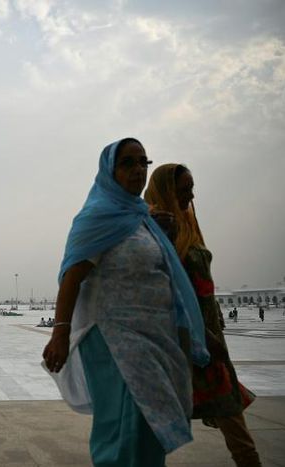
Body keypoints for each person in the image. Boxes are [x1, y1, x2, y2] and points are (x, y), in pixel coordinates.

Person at [42, 138, 209, 467]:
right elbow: (71, 277)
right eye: (127, 163)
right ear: (109, 171)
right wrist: (60, 332)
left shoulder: (144, 220)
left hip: (153, 340)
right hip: (112, 341)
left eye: (143, 162)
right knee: (124, 429)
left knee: (150, 427)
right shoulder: (97, 218)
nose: (137, 170)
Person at [145, 163, 262, 467]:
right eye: (184, 189)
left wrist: (215, 326)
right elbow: (164, 287)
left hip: (208, 336)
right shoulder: (157, 225)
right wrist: (205, 337)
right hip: (183, 340)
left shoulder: (188, 223)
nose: (191, 195)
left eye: (192, 188)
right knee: (152, 429)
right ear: (168, 190)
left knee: (233, 420)